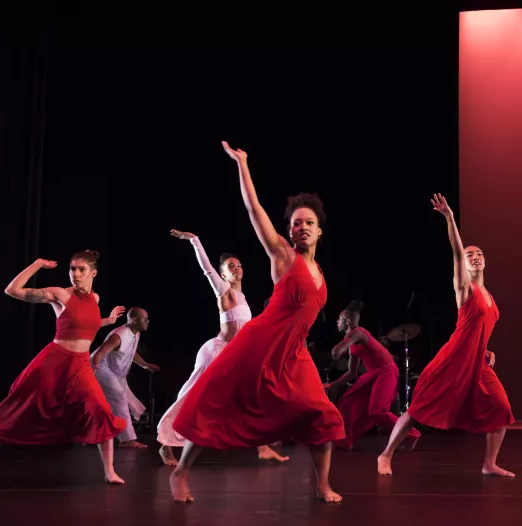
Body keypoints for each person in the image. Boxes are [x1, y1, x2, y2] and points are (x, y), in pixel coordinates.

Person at [168, 143, 344, 503]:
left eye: (310, 223)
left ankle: (323, 484)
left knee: (322, 414)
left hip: (294, 354)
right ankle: (181, 470)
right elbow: (254, 208)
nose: (303, 227)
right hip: (261, 342)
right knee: (217, 400)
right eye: (297, 223)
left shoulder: (320, 272)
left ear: (320, 231)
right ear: (291, 231)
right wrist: (243, 164)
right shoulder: (282, 254)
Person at [376, 194, 515, 477]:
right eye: (469, 255)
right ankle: (385, 454)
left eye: (479, 254)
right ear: (463, 265)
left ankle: (489, 464)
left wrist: (487, 349)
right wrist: (450, 218)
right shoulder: (464, 289)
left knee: (501, 409)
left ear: (485, 262)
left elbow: (480, 330)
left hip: (477, 363)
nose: (475, 257)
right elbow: (455, 252)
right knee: (418, 409)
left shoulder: (489, 296)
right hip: (452, 359)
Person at [0, 251, 128, 484]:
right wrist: (38, 264)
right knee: (20, 408)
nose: (75, 274)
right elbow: (12, 290)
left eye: (81, 269)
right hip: (54, 362)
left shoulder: (95, 299)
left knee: (100, 409)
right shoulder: (61, 294)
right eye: (72, 269)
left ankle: (109, 471)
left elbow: (85, 326)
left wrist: (107, 322)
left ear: (93, 272)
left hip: (80, 366)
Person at [157, 231, 287, 465]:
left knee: (247, 398)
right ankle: (166, 446)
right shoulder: (224, 291)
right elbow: (207, 269)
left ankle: (263, 447)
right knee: (191, 396)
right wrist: (195, 240)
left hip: (236, 355)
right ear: (223, 273)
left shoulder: (243, 296)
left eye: (238, 264)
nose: (236, 268)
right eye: (230, 266)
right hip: (216, 352)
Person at [324, 300, 421, 450]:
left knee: (377, 411)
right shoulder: (353, 347)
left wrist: (337, 350)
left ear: (348, 321)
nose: (337, 322)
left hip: (387, 371)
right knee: (347, 402)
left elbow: (336, 353)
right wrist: (332, 385)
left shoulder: (358, 333)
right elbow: (352, 373)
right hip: (374, 374)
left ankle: (411, 434)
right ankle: (346, 440)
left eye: (340, 319)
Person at [93, 307, 158, 449]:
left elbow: (131, 351)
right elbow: (98, 353)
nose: (148, 321)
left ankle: (85, 435)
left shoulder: (136, 333)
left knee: (119, 403)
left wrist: (144, 365)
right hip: (102, 370)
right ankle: (126, 440)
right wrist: (94, 370)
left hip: (117, 374)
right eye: (144, 318)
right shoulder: (119, 335)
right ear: (134, 320)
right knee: (119, 397)